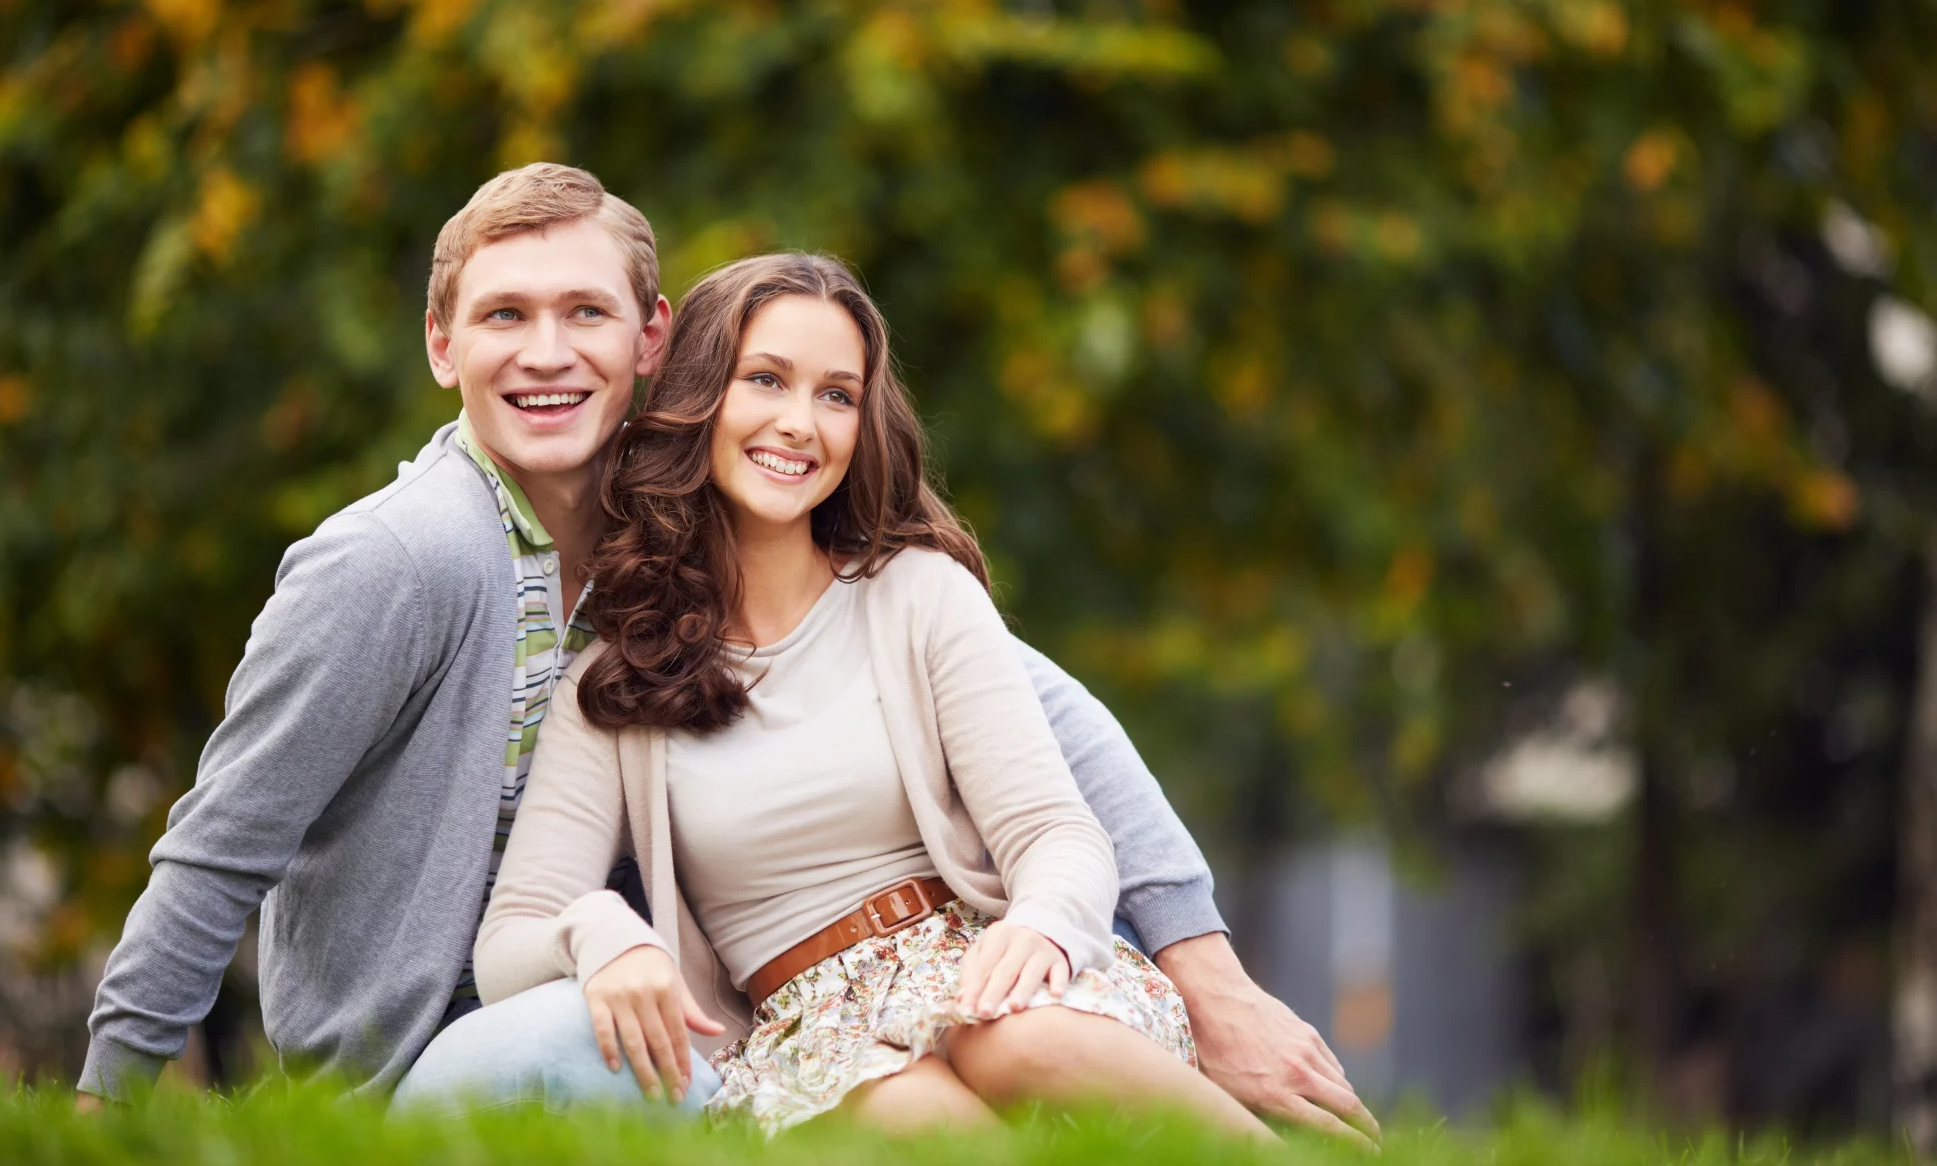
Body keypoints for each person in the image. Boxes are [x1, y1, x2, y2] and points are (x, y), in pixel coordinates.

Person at [78, 163, 1374, 1145]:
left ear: (649, 342)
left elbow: (1053, 735)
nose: (545, 352)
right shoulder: (407, 568)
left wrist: (1204, 974)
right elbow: (221, 846)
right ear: (440, 342)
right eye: (504, 314)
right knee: (784, 1080)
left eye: (585, 312)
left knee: (977, 1061)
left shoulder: (706, 566)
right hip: (454, 1048)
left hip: (749, 1011)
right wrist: (101, 1107)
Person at [468, 253, 1252, 1135]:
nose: (800, 424)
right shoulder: (616, 686)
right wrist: (596, 931)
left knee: (1013, 1038)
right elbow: (508, 942)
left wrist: (1042, 923)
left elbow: (1053, 829)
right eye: (766, 379)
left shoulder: (919, 592)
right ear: (699, 396)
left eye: (836, 395)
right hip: (810, 1039)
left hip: (982, 967)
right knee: (913, 1116)